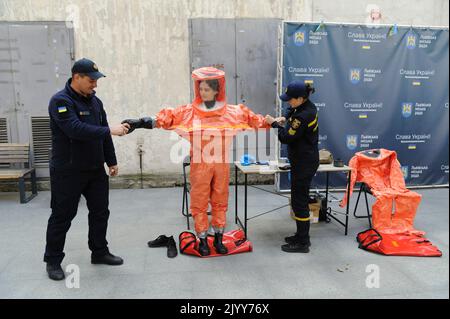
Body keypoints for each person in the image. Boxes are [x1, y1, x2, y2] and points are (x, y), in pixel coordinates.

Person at [122, 67, 270, 256]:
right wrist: (140, 122)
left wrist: (273, 122)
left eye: (206, 89)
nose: (202, 92)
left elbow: (254, 120)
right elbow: (165, 119)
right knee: (199, 201)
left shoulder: (232, 112)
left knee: (220, 200)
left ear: (217, 90)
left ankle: (217, 238)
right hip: (200, 162)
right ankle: (202, 240)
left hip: (221, 162)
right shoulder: (189, 112)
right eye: (200, 88)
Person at [44, 58, 130, 280]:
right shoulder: (60, 102)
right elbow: (75, 129)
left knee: (100, 212)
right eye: (91, 80)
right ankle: (53, 261)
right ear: (76, 77)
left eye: (96, 80)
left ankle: (99, 252)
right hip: (68, 171)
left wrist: (111, 161)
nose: (95, 85)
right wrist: (109, 130)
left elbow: (103, 134)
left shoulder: (96, 102)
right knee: (62, 216)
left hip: (94, 170)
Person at [265, 81, 319, 253]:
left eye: (291, 99)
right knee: (298, 200)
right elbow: (292, 112)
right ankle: (300, 235)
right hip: (303, 161)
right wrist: (285, 118)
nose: (288, 102)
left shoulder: (303, 116)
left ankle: (303, 243)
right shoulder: (306, 107)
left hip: (305, 163)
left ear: (300, 98)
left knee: (299, 202)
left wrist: (274, 123)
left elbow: (286, 138)